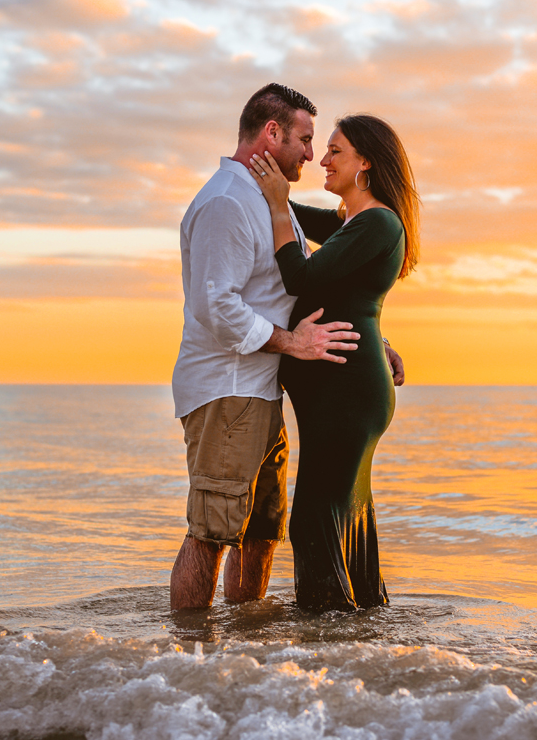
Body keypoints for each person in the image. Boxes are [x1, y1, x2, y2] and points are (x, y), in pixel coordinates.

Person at [169, 84, 405, 610]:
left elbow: (333, 286)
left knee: (261, 533)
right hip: (228, 389)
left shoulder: (275, 206)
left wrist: (373, 338)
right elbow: (217, 308)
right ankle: (186, 662)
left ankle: (248, 647)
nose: (311, 154)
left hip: (262, 389)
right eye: (304, 139)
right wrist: (292, 343)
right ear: (271, 133)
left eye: (325, 146)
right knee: (211, 531)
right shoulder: (230, 203)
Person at [247, 113, 420, 611]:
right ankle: (362, 633)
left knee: (314, 519)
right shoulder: (352, 222)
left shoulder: (379, 222)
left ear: (365, 162)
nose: (322, 160)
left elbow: (300, 276)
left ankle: (332, 647)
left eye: (335, 151)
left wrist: (279, 205)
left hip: (348, 392)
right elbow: (300, 222)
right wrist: (268, 187)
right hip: (342, 387)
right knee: (341, 512)